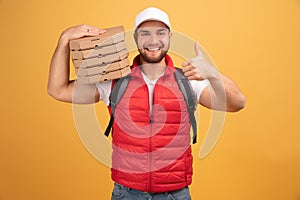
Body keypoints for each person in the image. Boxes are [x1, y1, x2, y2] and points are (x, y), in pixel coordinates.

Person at [48, 7, 245, 200]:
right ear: (135, 39)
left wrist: (212, 72)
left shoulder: (188, 81)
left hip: (175, 195)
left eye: (160, 33)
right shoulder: (115, 83)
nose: (153, 40)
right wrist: (64, 40)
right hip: (126, 194)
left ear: (170, 38)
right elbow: (58, 89)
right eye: (145, 34)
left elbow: (237, 103)